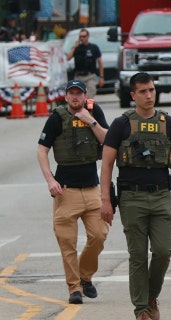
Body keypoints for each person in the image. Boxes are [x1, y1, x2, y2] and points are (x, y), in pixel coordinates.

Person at [99, 72, 171, 320]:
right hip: (131, 198)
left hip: (161, 197)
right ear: (133, 95)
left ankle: (151, 295)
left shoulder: (169, 123)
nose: (149, 95)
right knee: (137, 255)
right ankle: (141, 309)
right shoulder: (121, 124)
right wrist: (105, 200)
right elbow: (106, 165)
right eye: (143, 91)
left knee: (163, 252)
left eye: (151, 90)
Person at [36, 80, 110, 304]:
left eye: (79, 93)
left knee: (99, 235)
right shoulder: (56, 118)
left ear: (85, 95)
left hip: (92, 189)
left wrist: (92, 121)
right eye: (71, 94)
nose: (75, 97)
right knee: (67, 243)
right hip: (65, 191)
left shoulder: (93, 111)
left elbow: (108, 141)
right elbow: (42, 150)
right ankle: (74, 289)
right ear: (66, 97)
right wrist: (50, 180)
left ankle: (85, 276)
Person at [66, 28, 104, 98]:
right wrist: (74, 47)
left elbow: (100, 62)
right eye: (80, 37)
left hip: (90, 76)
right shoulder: (77, 48)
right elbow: (68, 58)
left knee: (89, 96)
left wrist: (101, 77)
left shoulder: (93, 47)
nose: (82, 38)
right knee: (78, 96)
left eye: (84, 36)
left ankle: (88, 108)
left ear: (88, 36)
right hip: (79, 76)